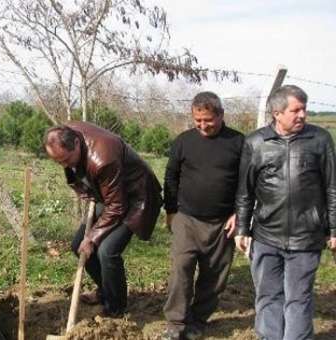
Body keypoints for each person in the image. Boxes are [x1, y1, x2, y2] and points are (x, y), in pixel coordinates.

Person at [235, 84, 336, 340]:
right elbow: (245, 191)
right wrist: (242, 229)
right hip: (266, 235)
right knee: (268, 296)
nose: (303, 115)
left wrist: (334, 229)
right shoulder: (256, 142)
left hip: (306, 236)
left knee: (298, 298)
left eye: (304, 109)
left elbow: (332, 187)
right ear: (277, 113)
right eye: (296, 110)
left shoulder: (320, 140)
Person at [43, 122, 162, 317]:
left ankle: (116, 309)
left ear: (76, 143)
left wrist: (92, 237)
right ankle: (106, 290)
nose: (65, 166)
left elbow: (117, 207)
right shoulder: (67, 134)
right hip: (109, 194)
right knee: (77, 246)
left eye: (66, 160)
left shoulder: (102, 159)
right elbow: (107, 197)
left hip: (135, 198)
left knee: (107, 251)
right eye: (58, 162)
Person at [161, 92, 244, 340]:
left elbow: (247, 182)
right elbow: (170, 176)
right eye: (197, 120)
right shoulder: (184, 141)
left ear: (220, 115)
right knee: (181, 268)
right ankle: (175, 323)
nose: (202, 125)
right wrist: (171, 210)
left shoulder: (238, 142)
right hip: (187, 218)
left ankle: (198, 320)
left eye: (207, 119)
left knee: (214, 274)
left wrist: (239, 213)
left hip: (223, 222)